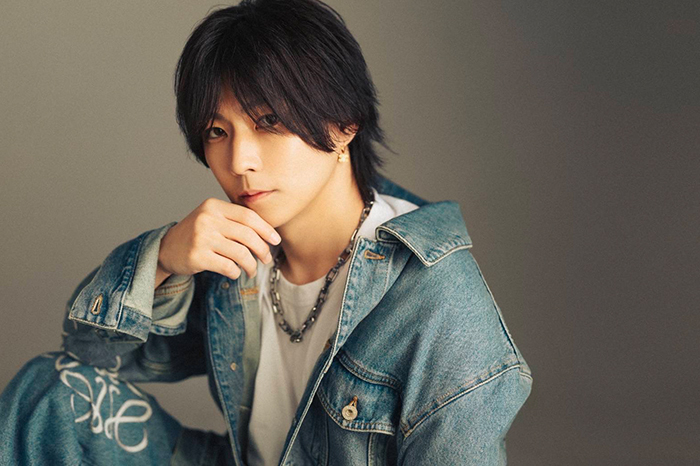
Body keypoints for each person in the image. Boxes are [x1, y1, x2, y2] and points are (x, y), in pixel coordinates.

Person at [0, 0, 533, 464]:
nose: (239, 161)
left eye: (269, 122)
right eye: (217, 131)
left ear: (344, 123)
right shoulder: (236, 253)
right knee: (47, 392)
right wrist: (161, 259)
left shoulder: (438, 300)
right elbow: (90, 356)